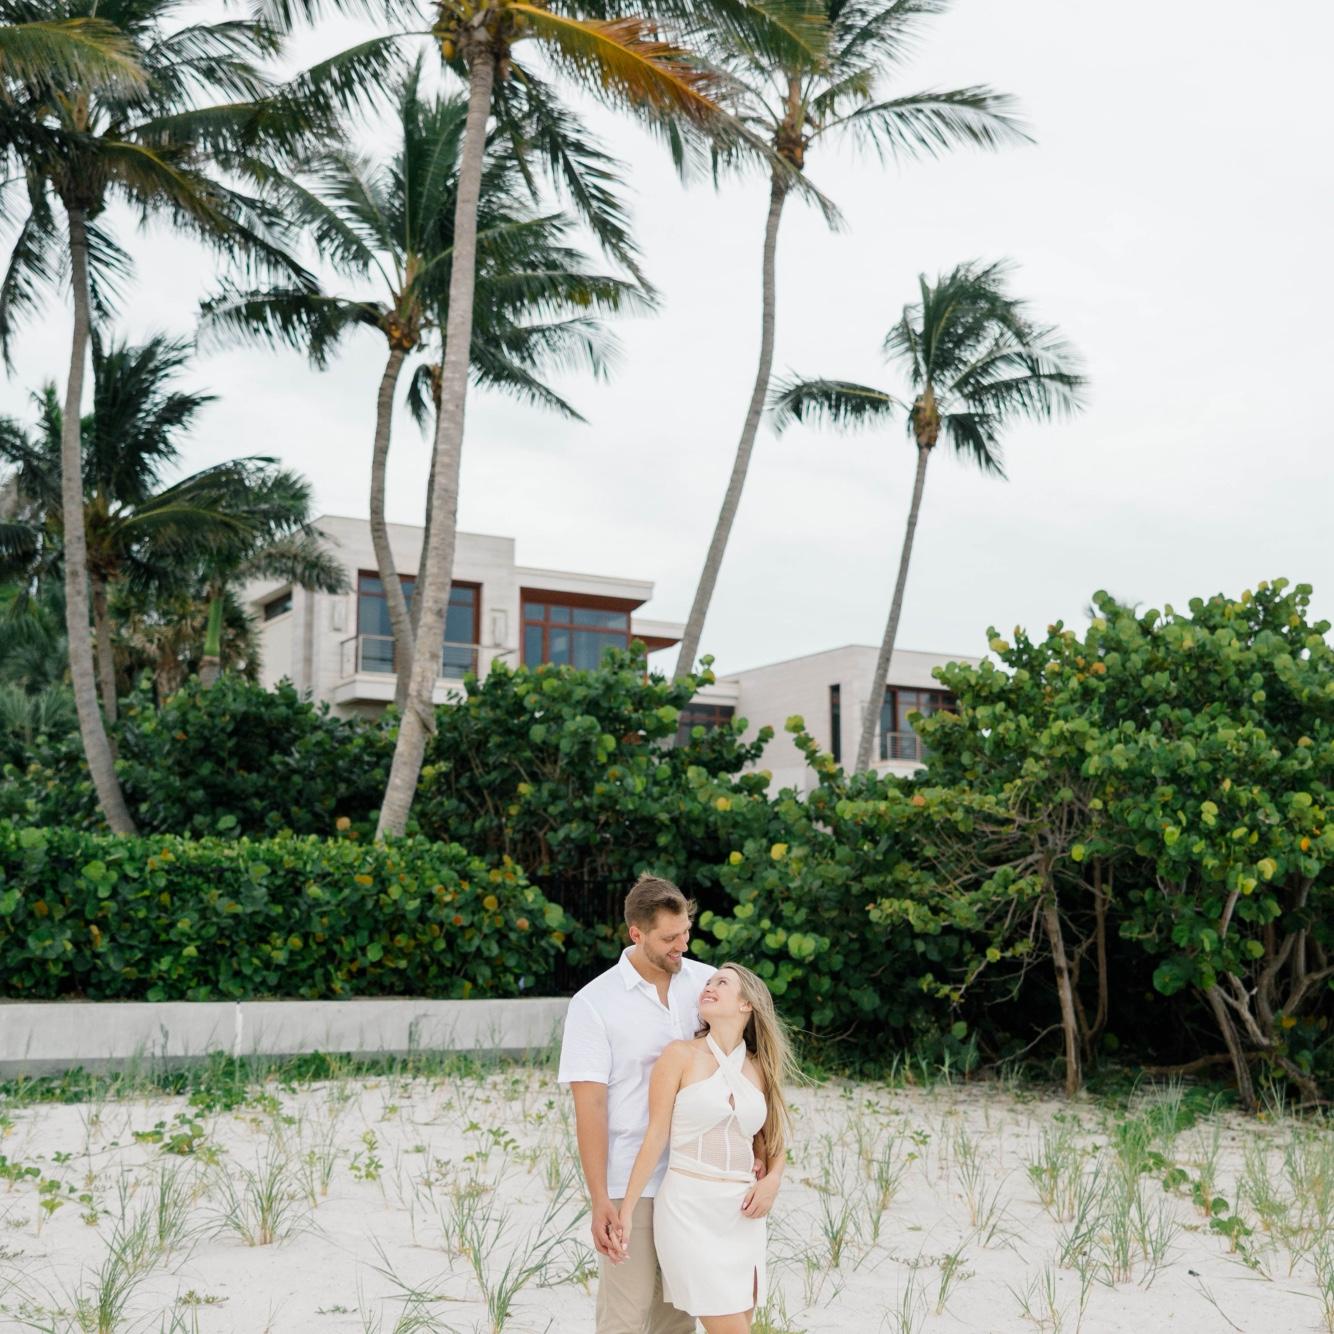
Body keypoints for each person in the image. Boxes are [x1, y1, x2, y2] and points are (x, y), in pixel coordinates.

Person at [558, 874, 712, 1334]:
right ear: (636, 933)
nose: (682, 945)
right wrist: (599, 1198)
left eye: (686, 932)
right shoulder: (593, 1003)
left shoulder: (708, 984)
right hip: (632, 1181)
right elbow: (590, 1109)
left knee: (679, 1314)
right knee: (625, 1314)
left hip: (695, 1175)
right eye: (669, 938)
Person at [615, 962, 795, 1334]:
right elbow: (656, 1136)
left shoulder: (759, 1067)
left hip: (743, 1214)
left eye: (722, 982)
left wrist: (773, 1180)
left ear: (747, 1004)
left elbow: (773, 1139)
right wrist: (626, 1211)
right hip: (688, 1209)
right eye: (709, 982)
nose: (709, 986)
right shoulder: (679, 1055)